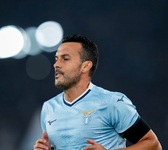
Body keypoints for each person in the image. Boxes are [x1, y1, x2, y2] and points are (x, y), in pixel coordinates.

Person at [33, 35, 162, 150]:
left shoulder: (112, 102)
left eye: (65, 59)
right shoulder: (48, 108)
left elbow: (153, 145)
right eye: (56, 58)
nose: (56, 64)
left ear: (85, 66)